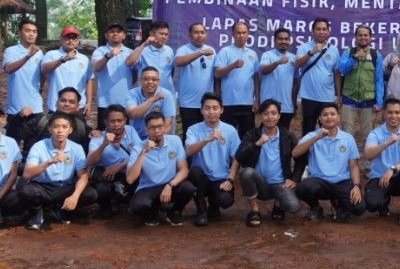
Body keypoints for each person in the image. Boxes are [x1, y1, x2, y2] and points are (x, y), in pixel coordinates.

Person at [21, 113, 98, 230]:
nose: (60, 130)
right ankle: (37, 212)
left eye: (64, 127)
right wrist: (50, 162)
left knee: (90, 194)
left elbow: (83, 176)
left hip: (64, 187)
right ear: (50, 129)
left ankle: (60, 209)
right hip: (42, 187)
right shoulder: (38, 146)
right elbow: (27, 175)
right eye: (56, 127)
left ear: (70, 130)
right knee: (27, 191)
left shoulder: (76, 148)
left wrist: (75, 196)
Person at [293, 103, 366, 222]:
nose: (329, 117)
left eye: (332, 114)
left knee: (359, 209)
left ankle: (339, 204)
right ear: (320, 118)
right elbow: (295, 153)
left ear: (338, 117)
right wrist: (316, 138)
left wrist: (356, 186)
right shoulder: (312, 135)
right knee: (303, 188)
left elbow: (354, 167)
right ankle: (315, 208)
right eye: (325, 115)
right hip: (319, 181)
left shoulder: (348, 138)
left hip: (341, 181)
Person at [235, 99, 302, 226]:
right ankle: (254, 210)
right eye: (266, 113)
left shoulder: (287, 136)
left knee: (294, 206)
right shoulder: (252, 134)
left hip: (280, 185)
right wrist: (256, 144)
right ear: (260, 116)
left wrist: (295, 178)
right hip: (259, 184)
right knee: (246, 172)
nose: (270, 117)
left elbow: (301, 157)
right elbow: (239, 156)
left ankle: (278, 204)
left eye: (273, 113)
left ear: (279, 115)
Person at [125, 111, 195, 226]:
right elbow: (130, 179)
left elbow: (184, 170)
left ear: (165, 127)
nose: (157, 131)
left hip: (170, 184)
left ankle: (173, 212)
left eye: (160, 126)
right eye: (152, 128)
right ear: (146, 130)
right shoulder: (138, 147)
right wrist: (143, 152)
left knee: (188, 188)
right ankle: (152, 213)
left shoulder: (175, 141)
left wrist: (170, 185)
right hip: (148, 187)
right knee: (137, 206)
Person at [184, 92, 241, 226]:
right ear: (201, 110)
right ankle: (201, 212)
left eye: (215, 108)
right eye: (207, 108)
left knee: (225, 200)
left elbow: (237, 158)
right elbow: (189, 151)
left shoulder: (230, 130)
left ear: (221, 110)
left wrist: (230, 180)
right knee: (195, 172)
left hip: (221, 178)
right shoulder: (193, 130)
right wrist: (206, 139)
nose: (211, 112)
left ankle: (214, 206)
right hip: (201, 178)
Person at [362, 98, 400, 226]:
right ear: (384, 113)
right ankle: (384, 201)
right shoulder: (375, 133)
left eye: (397, 112)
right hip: (380, 178)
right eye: (390, 112)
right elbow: (368, 155)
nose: (393, 116)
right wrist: (387, 142)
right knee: (371, 205)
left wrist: (393, 169)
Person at [86, 104, 141, 218]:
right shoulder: (98, 138)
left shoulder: (130, 131)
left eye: (120, 121)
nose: (116, 124)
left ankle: (127, 201)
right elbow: (89, 162)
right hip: (107, 176)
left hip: (128, 172)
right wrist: (104, 144)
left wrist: (120, 165)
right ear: (106, 122)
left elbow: (141, 154)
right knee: (101, 189)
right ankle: (106, 207)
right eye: (112, 121)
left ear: (125, 120)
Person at [91, 22, 148, 127]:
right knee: (106, 135)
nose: (115, 34)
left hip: (126, 102)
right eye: (112, 32)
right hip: (105, 102)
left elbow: (135, 73)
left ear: (124, 35)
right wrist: (108, 56)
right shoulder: (99, 51)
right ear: (106, 35)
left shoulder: (130, 52)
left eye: (118, 32)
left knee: (125, 134)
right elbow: (97, 68)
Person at [338, 24, 385, 149]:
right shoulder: (348, 53)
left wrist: (379, 102)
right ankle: (346, 166)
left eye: (366, 35)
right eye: (360, 35)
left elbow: (379, 80)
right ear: (355, 37)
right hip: (349, 100)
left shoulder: (376, 55)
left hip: (369, 102)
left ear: (370, 38)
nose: (363, 38)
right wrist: (354, 58)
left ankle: (369, 167)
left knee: (369, 137)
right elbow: (342, 69)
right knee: (346, 136)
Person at [294, 18, 342, 136]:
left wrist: (339, 95)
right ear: (312, 31)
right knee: (308, 129)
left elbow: (336, 73)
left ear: (328, 32)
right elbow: (298, 64)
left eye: (324, 29)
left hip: (327, 97)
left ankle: (325, 154)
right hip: (308, 96)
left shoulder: (334, 50)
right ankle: (306, 154)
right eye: (318, 29)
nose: (321, 32)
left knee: (328, 129)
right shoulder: (304, 47)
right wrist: (312, 52)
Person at [213, 21, 260, 137]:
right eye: (238, 33)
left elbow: (256, 78)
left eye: (244, 32)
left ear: (248, 34)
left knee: (247, 138)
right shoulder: (225, 52)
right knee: (227, 137)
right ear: (232, 34)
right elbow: (217, 74)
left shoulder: (252, 54)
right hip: (228, 103)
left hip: (247, 104)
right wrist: (232, 66)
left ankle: (243, 156)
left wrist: (257, 100)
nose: (241, 35)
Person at [40, 26, 94, 123]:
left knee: (78, 135)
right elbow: (44, 69)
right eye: (67, 37)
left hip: (78, 106)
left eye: (74, 38)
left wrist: (89, 103)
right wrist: (62, 60)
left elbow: (89, 80)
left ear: (77, 41)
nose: (71, 40)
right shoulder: (51, 55)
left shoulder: (84, 59)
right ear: (61, 39)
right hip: (56, 105)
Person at [2, 19, 44, 142]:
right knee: (12, 145)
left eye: (34, 31)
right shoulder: (11, 51)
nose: (31, 34)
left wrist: (41, 87)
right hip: (15, 107)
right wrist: (27, 56)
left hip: (35, 107)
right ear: (20, 32)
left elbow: (43, 74)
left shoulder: (39, 53)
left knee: (32, 147)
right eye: (28, 31)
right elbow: (9, 68)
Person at [21, 87, 91, 157]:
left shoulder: (82, 128)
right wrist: (19, 117)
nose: (67, 104)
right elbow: (15, 134)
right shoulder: (40, 121)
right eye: (63, 100)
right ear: (56, 103)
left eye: (71, 102)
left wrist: (95, 134)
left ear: (78, 107)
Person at [174, 22, 216, 135]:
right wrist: (200, 53)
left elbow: (216, 74)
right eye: (196, 32)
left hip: (206, 103)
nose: (200, 35)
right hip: (188, 103)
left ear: (206, 34)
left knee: (206, 134)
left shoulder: (211, 50)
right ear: (189, 35)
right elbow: (178, 62)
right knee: (190, 135)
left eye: (202, 32)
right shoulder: (183, 49)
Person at [259, 28, 298, 131]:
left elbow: (295, 83)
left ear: (289, 41)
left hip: (286, 106)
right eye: (280, 39)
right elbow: (263, 70)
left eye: (286, 39)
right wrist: (277, 62)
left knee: (284, 138)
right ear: (275, 40)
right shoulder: (267, 55)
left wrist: (293, 104)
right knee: (266, 136)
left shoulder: (294, 58)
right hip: (268, 106)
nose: (283, 41)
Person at [126, 66, 176, 138]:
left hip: (158, 138)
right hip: (136, 138)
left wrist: (155, 142)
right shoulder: (132, 93)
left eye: (154, 79)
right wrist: (152, 100)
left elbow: (167, 124)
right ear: (140, 80)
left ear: (158, 81)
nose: (150, 82)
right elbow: (133, 114)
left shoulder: (166, 94)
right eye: (146, 79)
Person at [137, 20, 176, 94]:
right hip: (147, 96)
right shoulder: (142, 50)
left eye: (166, 34)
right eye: (161, 34)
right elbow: (129, 63)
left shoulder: (169, 50)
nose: (164, 37)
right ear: (151, 34)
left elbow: (171, 71)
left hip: (167, 94)